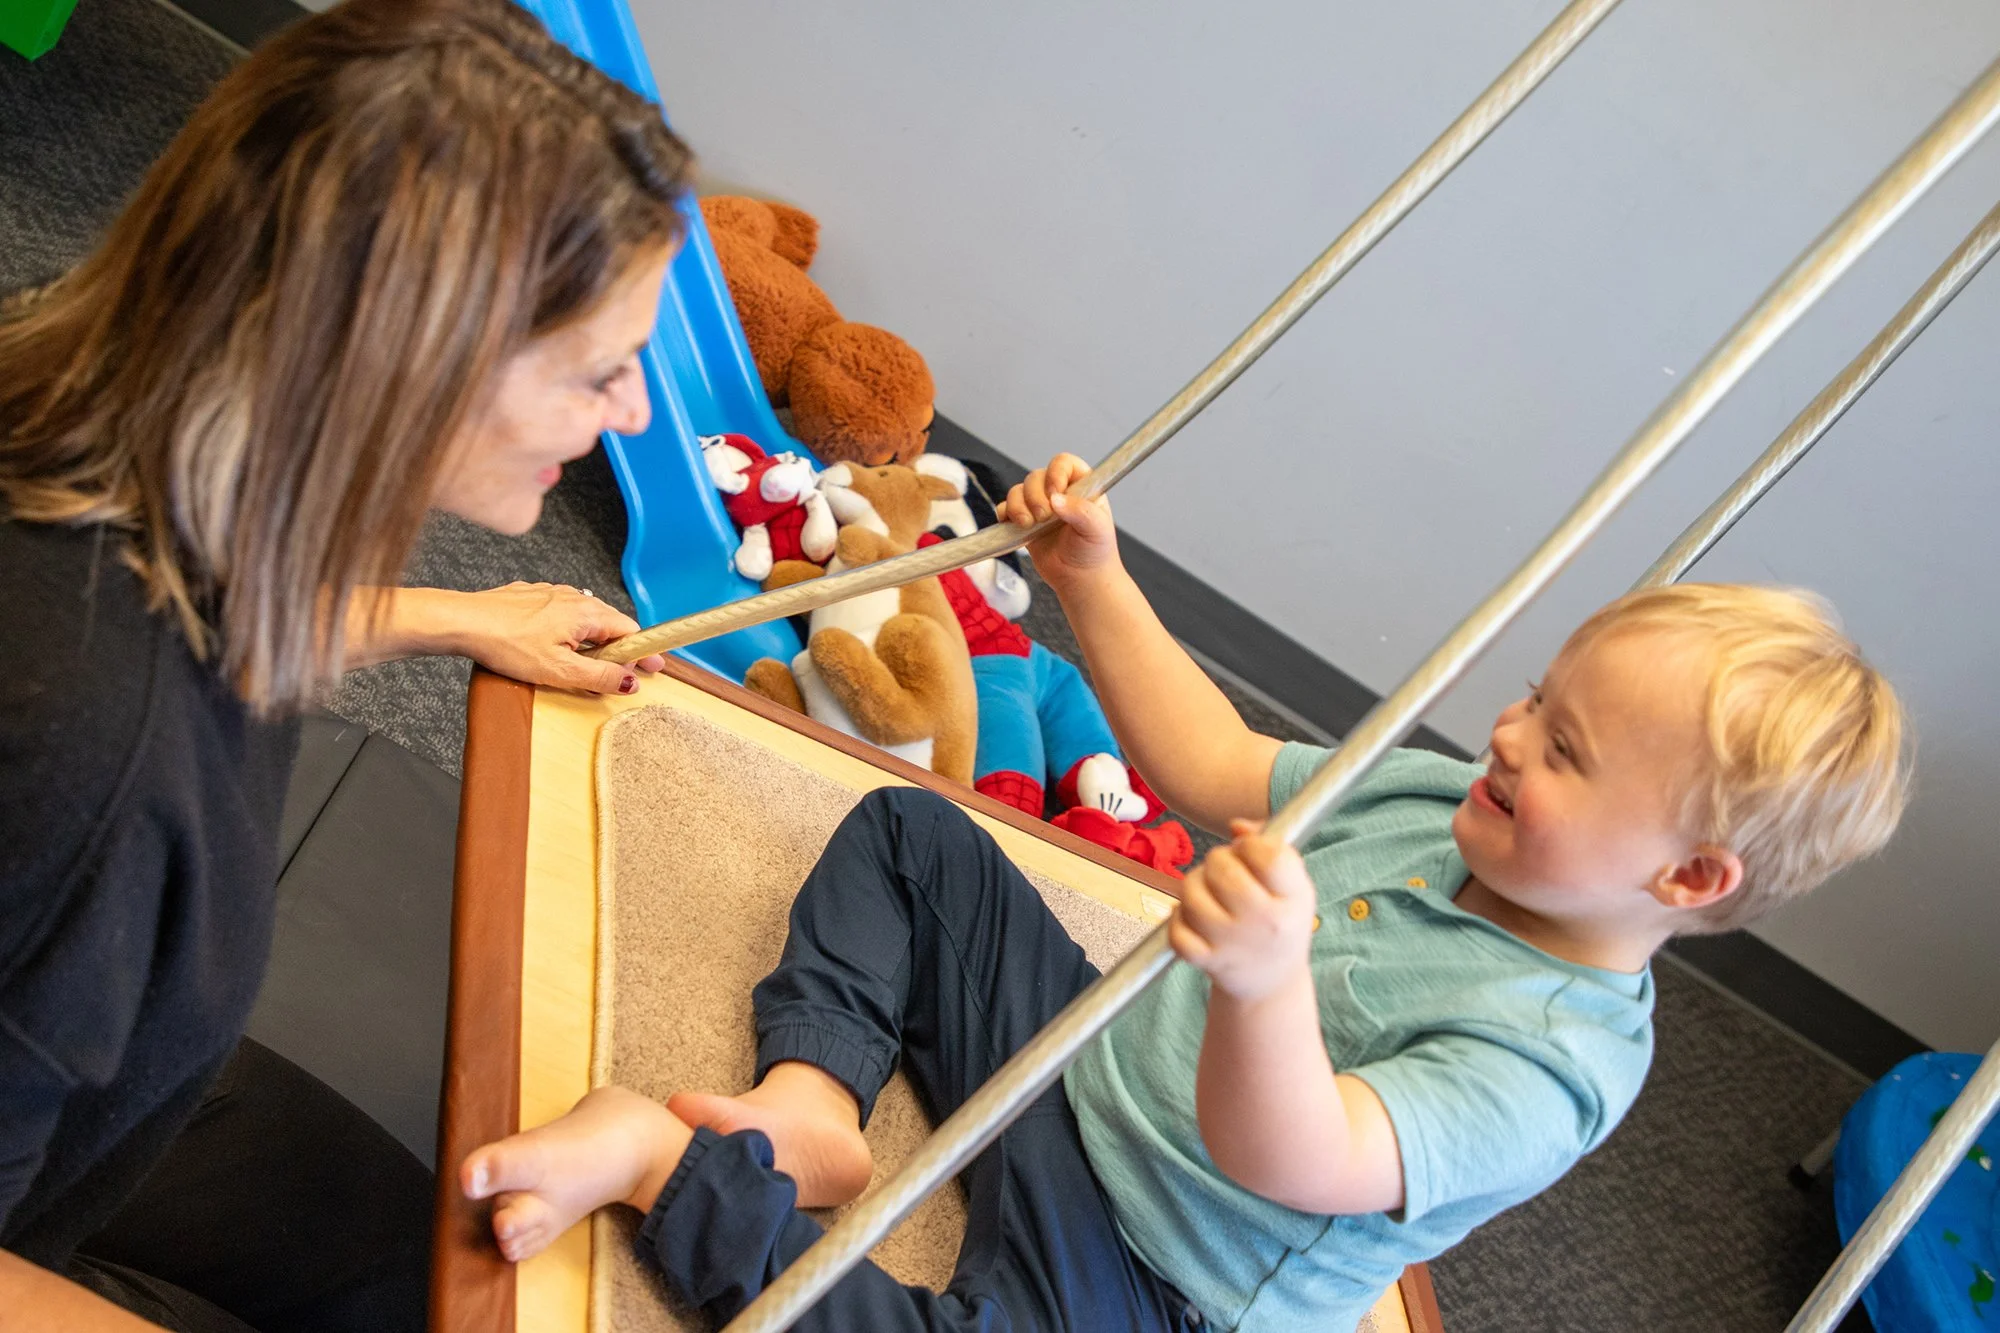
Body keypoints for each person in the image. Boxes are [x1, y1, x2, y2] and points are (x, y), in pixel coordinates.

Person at [460, 449, 1909, 1333]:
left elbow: (1302, 1158)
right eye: (1536, 698)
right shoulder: (1438, 802)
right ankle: (813, 1109)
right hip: (1081, 1055)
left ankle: (672, 1172)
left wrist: (1267, 984)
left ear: (1688, 875)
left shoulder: (1558, 1063)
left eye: (1568, 750)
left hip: (1164, 1267)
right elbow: (1210, 760)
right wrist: (1094, 578)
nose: (1510, 736)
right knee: (919, 837)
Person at [0, 0, 699, 1328]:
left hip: (115, 1071)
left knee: (426, 1270)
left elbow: (223, 595)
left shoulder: (107, 401)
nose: (635, 415)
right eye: (599, 373)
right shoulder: (92, 765)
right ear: (402, 372)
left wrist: (453, 615)